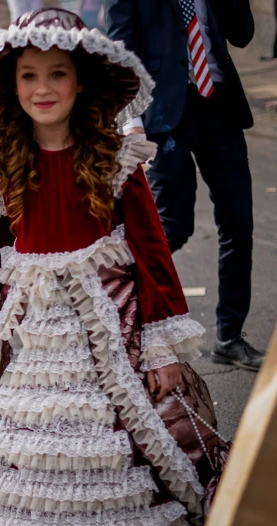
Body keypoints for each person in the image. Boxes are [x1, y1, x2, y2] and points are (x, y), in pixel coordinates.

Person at [0, 8, 229, 526]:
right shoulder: (0, 164)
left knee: (117, 433)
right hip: (37, 335)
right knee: (34, 434)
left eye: (57, 74)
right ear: (10, 86)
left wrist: (163, 347)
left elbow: (152, 255)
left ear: (82, 82)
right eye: (29, 75)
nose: (42, 88)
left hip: (109, 327)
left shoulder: (116, 159)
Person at [108, 1, 262, 371]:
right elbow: (120, 56)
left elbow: (243, 36)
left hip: (219, 106)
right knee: (171, 227)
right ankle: (119, 318)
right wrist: (131, 125)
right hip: (165, 115)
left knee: (238, 223)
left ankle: (229, 337)